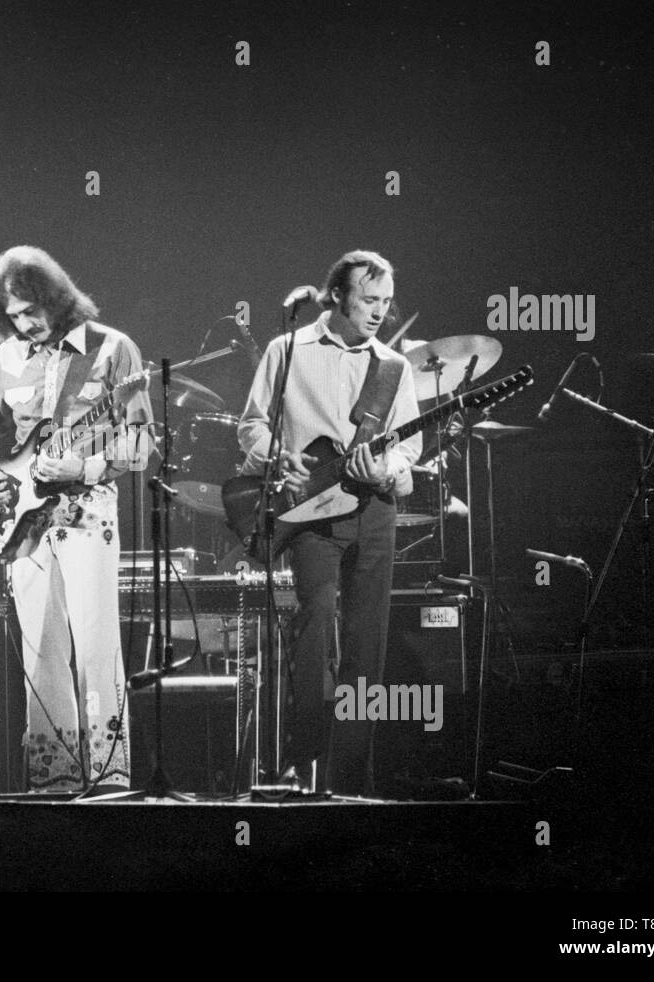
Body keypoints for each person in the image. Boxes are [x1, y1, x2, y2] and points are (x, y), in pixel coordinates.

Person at [0, 245, 152, 792]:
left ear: (56, 298)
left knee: (95, 643)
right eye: (12, 315)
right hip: (23, 516)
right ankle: (54, 779)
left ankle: (110, 776)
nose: (24, 323)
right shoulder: (7, 358)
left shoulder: (112, 349)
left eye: (31, 310)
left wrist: (84, 464)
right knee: (40, 648)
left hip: (88, 509)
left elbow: (141, 441)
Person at [238, 250, 422, 796]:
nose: (379, 312)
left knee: (368, 640)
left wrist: (386, 469)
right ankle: (306, 761)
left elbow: (408, 448)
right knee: (315, 623)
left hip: (374, 510)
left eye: (386, 303)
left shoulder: (394, 366)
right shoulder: (287, 350)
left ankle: (350, 775)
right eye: (369, 300)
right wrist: (279, 458)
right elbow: (250, 427)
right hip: (313, 511)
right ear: (337, 295)